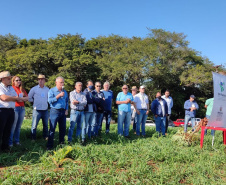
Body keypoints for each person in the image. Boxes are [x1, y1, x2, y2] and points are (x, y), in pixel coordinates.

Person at [0, 71, 26, 151]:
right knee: (1, 130)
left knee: (8, 129)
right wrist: (13, 98)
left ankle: (5, 147)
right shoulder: (0, 87)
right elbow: (4, 98)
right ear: (3, 79)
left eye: (10, 78)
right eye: (8, 78)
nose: (9, 79)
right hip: (2, 111)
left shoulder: (10, 87)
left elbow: (16, 97)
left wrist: (11, 98)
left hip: (11, 111)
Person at [47, 77, 68, 150]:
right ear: (56, 83)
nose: (62, 84)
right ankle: (49, 146)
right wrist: (58, 96)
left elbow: (67, 102)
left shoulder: (65, 92)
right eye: (60, 82)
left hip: (63, 112)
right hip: (54, 111)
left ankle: (61, 144)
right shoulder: (51, 91)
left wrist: (66, 109)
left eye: (63, 82)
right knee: (52, 129)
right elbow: (50, 101)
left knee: (62, 129)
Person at [28, 74, 49, 141]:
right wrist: (33, 101)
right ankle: (33, 138)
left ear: (44, 81)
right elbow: (29, 98)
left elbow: (49, 98)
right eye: (39, 79)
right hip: (37, 110)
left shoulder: (47, 89)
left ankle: (45, 137)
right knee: (34, 125)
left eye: (42, 79)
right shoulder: (34, 89)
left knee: (45, 125)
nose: (40, 81)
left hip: (45, 110)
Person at [9, 76, 28, 147]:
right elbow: (13, 98)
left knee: (18, 126)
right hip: (15, 108)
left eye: (19, 80)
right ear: (13, 81)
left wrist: (20, 99)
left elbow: (27, 98)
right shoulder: (11, 88)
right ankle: (10, 142)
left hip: (22, 108)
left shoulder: (22, 89)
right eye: (17, 80)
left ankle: (16, 141)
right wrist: (20, 98)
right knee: (13, 126)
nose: (19, 81)